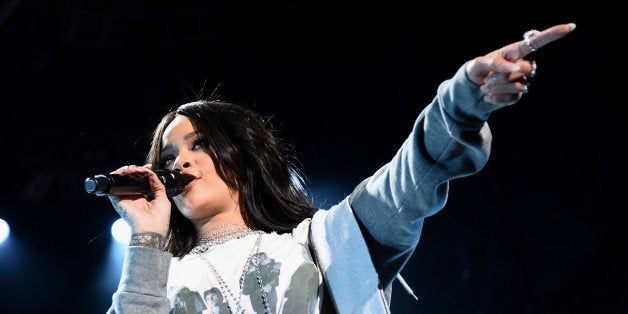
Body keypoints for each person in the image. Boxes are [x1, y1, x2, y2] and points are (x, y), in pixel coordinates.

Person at [104, 23, 576, 313]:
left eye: (199, 144)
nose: (179, 161)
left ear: (244, 155)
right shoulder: (156, 279)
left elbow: (412, 175)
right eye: (167, 157)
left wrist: (459, 104)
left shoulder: (331, 240)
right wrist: (147, 237)